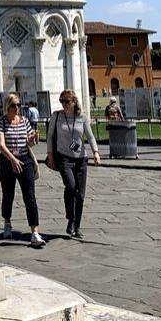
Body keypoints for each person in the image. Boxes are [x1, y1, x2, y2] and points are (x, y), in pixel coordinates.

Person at [47, 90, 100, 240]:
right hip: (64, 158)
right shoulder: (57, 116)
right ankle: (70, 217)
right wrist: (50, 156)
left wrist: (95, 152)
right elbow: (50, 137)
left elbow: (90, 136)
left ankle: (76, 227)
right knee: (70, 186)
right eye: (61, 101)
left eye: (66, 101)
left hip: (81, 159)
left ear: (74, 101)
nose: (63, 104)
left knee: (81, 195)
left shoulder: (82, 117)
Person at [0, 93, 45, 248]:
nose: (16, 108)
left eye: (18, 105)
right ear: (7, 107)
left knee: (30, 196)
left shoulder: (24, 121)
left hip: (25, 161)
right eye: (13, 105)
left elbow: (30, 142)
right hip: (7, 162)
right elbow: (1, 145)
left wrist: (33, 139)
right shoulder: (1, 122)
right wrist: (12, 159)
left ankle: (34, 232)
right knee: (8, 194)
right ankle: (7, 223)